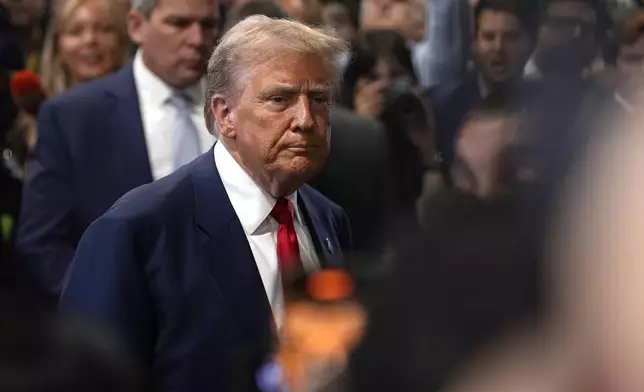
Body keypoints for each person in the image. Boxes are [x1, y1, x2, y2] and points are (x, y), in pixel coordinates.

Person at [60, 16, 351, 392]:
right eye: (280, 99)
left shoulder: (328, 218)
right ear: (224, 114)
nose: (305, 120)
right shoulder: (136, 231)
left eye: (319, 99)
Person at [16, 0, 220, 297]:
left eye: (208, 25)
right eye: (178, 24)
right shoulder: (72, 117)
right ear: (137, 26)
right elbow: (42, 243)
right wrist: (100, 313)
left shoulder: (244, 107)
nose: (197, 39)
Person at [431, 0, 534, 176]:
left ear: (530, 43)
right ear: (474, 43)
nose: (498, 48)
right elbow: (440, 163)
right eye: (488, 37)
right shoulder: (444, 107)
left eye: (510, 37)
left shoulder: (547, 105)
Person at [40, 0, 131, 97]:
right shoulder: (42, 107)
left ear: (122, 39)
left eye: (103, 29)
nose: (90, 40)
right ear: (58, 45)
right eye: (76, 31)